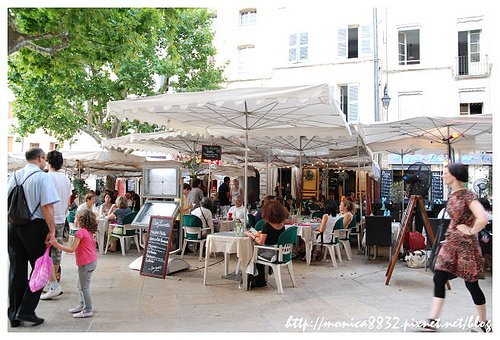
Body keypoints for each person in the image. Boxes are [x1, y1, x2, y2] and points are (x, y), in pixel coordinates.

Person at [423, 163, 490, 332]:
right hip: (451, 244)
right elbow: (456, 220)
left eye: (445, 173)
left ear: (454, 175)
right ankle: (433, 320)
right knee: (439, 278)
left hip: (466, 247)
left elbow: (482, 218)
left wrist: (471, 230)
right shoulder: (453, 195)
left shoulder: (468, 195)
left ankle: (483, 324)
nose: (443, 176)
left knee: (471, 284)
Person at [7, 147, 59, 327]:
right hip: (35, 227)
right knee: (41, 268)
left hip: (13, 227)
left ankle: (14, 314)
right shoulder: (42, 177)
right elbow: (47, 207)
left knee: (16, 270)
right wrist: (51, 231)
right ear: (40, 158)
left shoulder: (13, 176)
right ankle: (27, 310)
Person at [49, 209, 97, 318]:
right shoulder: (88, 231)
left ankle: (88, 309)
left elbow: (71, 249)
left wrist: (56, 244)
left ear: (80, 220)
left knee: (84, 287)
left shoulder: (80, 233)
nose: (73, 219)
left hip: (86, 263)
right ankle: (82, 305)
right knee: (80, 285)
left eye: (75, 217)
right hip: (90, 262)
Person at [40, 150, 72, 301]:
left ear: (48, 161)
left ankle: (50, 284)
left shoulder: (46, 177)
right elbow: (67, 201)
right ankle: (50, 282)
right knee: (57, 252)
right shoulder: (66, 179)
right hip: (61, 218)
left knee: (44, 251)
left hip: (47, 219)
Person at [246, 200, 288, 287]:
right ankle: (263, 275)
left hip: (270, 253)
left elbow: (261, 242)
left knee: (252, 254)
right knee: (257, 253)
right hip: (279, 252)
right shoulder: (281, 225)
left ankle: (259, 278)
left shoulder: (266, 225)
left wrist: (252, 236)